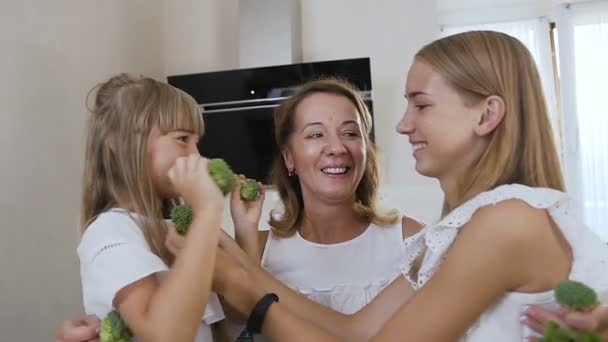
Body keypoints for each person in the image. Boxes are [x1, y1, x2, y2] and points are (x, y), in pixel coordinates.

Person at [212, 30, 608, 341]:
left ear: (487, 115)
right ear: (289, 158)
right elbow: (356, 332)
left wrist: (251, 297)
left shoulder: (506, 222)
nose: (402, 125)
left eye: (421, 104)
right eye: (315, 135)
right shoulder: (454, 232)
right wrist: (243, 269)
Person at [75, 73, 226, 341]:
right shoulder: (110, 232)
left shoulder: (171, 231)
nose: (196, 155)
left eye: (196, 142)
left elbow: (234, 316)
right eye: (182, 138)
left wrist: (244, 227)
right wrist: (207, 212)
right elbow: (165, 334)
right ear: (121, 143)